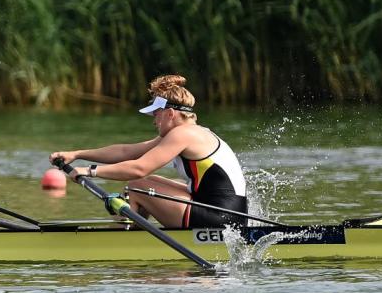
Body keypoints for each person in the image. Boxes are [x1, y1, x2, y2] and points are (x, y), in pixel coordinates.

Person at [50, 74, 248, 229]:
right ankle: (131, 234)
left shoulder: (183, 134)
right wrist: (77, 154)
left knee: (137, 186)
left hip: (220, 220)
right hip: (226, 214)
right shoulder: (192, 132)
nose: (154, 121)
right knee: (150, 183)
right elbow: (126, 152)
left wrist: (90, 171)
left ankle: (122, 242)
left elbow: (139, 169)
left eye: (156, 114)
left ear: (170, 114)